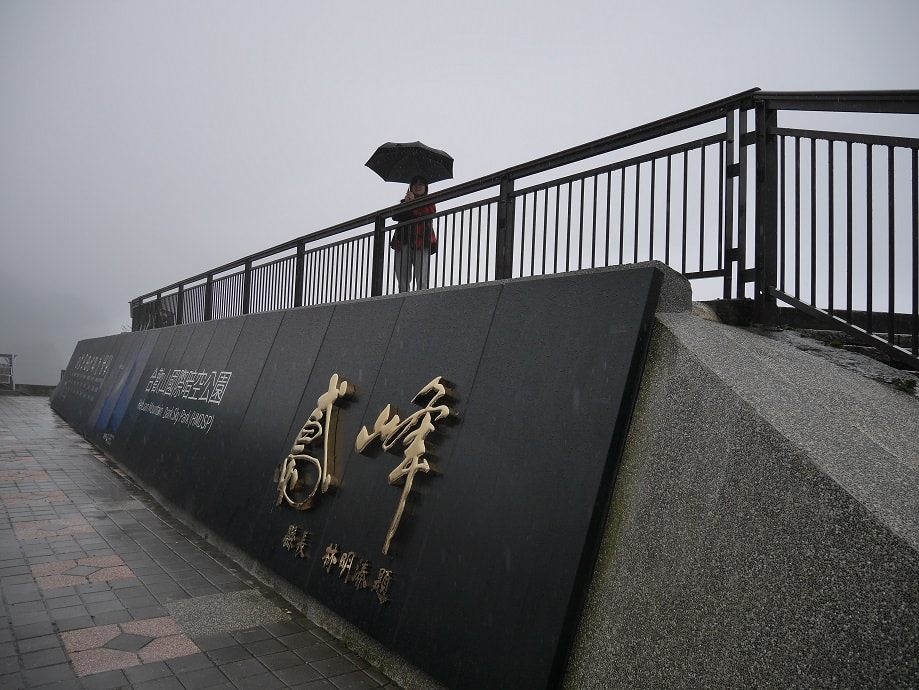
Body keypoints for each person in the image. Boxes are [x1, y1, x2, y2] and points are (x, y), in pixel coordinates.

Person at [391, 176, 437, 291]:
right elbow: (395, 216)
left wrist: (412, 204)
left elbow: (426, 214)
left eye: (421, 184)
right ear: (410, 187)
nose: (418, 187)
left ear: (426, 188)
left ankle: (421, 299)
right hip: (403, 241)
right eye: (415, 184)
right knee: (402, 275)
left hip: (421, 241)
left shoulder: (429, 201)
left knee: (421, 275)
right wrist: (406, 204)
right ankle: (403, 297)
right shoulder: (405, 202)